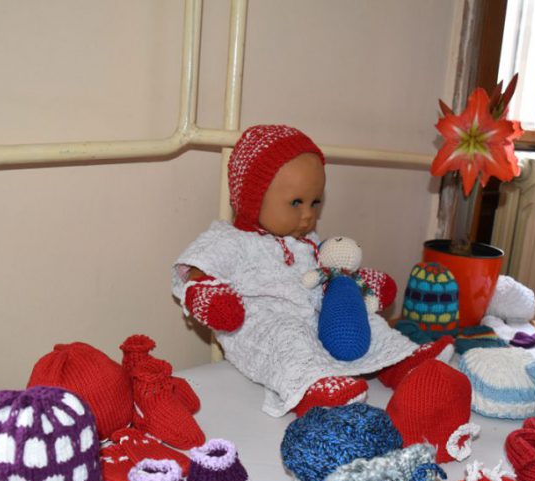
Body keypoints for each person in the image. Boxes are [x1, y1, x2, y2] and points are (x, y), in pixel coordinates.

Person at [171, 125, 452, 417]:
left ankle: (401, 361)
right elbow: (193, 270)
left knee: (367, 320)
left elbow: (331, 272)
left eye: (315, 202)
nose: (308, 215)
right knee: (290, 338)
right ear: (254, 198)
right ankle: (312, 387)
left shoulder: (309, 241)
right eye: (296, 203)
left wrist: (358, 287)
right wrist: (207, 296)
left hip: (316, 319)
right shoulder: (231, 240)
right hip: (260, 327)